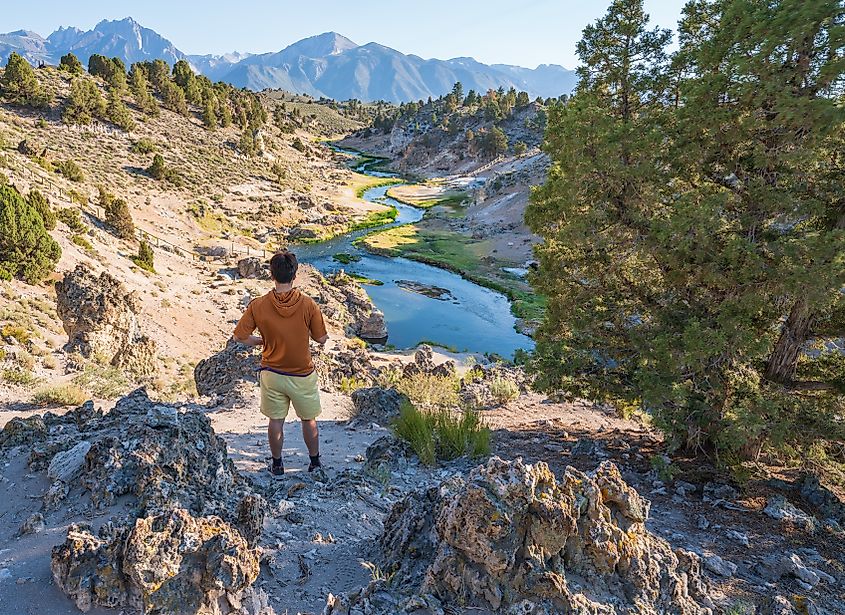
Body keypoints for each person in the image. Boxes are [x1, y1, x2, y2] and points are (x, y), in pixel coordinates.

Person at [233, 250, 329, 476]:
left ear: (271, 275)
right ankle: (314, 463)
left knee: (276, 420)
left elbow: (239, 337)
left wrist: (261, 341)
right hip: (302, 374)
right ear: (295, 275)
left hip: (272, 372)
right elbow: (321, 338)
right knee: (309, 420)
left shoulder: (258, 305)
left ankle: (277, 465)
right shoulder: (308, 305)